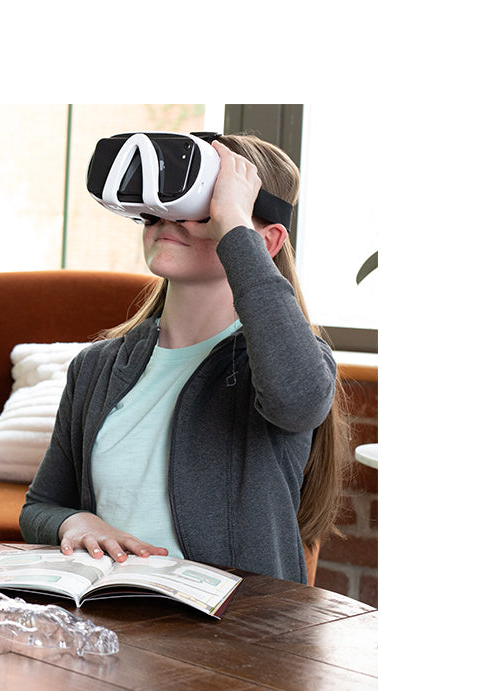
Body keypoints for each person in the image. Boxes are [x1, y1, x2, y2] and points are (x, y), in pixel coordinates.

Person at [19, 134, 348, 583]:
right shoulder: (97, 367)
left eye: (205, 208)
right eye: (158, 209)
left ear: (267, 241)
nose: (171, 220)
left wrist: (233, 224)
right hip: (114, 613)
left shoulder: (280, 364)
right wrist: (75, 522)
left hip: (238, 622)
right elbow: (41, 507)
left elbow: (299, 399)